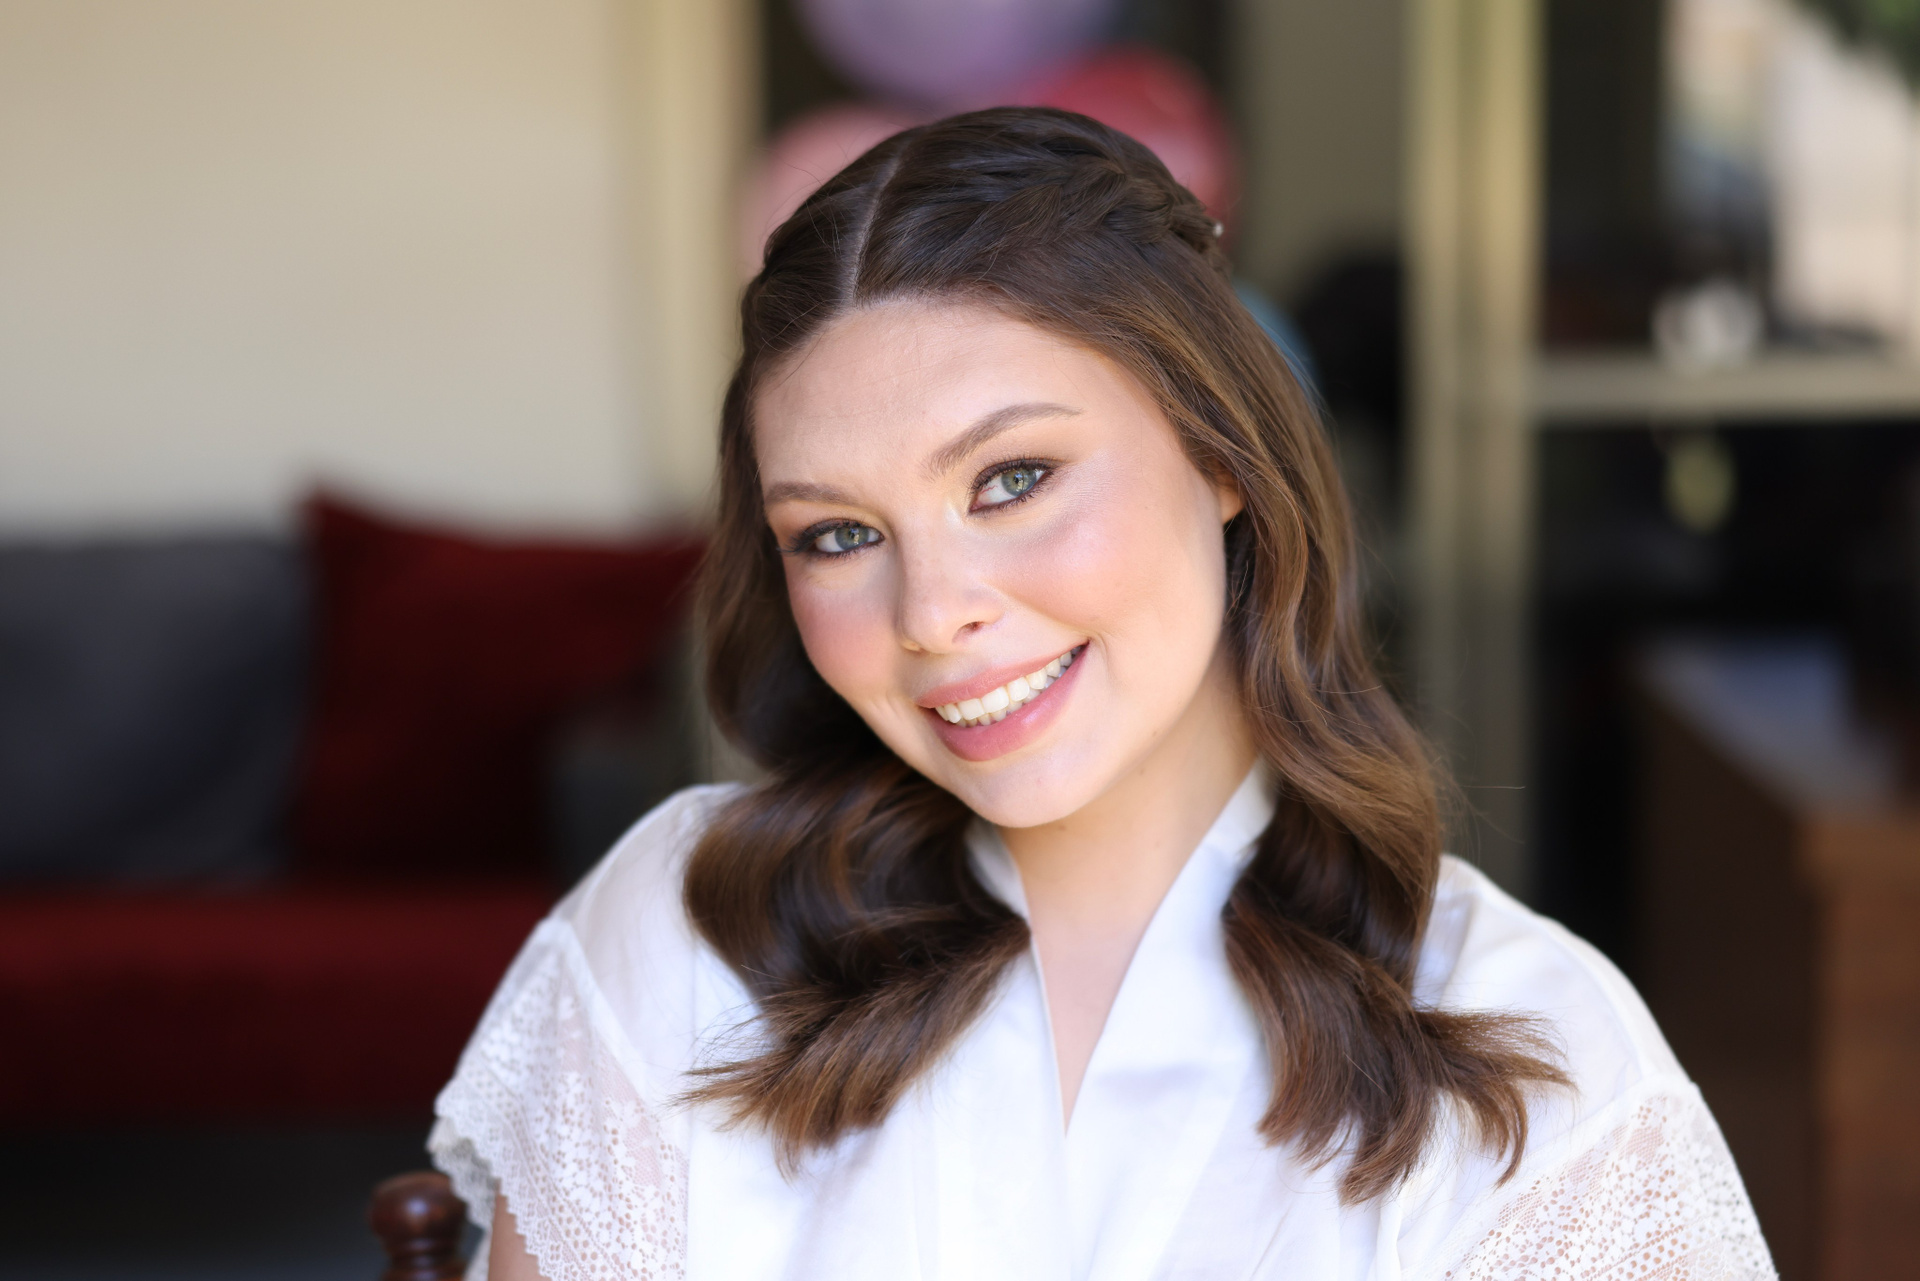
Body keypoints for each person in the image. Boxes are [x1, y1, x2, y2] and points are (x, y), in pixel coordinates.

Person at [431, 108, 1774, 1281]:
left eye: (1012, 479)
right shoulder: (685, 939)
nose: (932, 612)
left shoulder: (1528, 1064)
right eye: (838, 534)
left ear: (1223, 452)